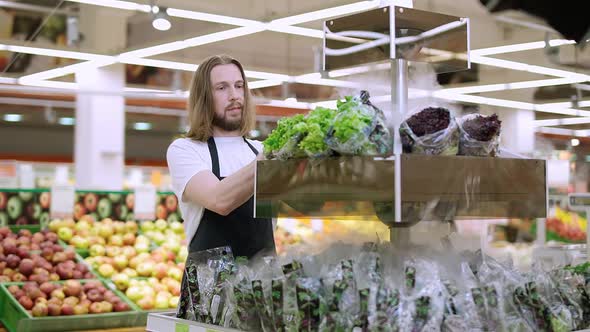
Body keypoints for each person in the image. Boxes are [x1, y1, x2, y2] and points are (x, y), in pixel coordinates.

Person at [166, 54, 275, 259]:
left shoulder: (259, 148)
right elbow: (219, 200)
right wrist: (271, 158)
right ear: (204, 97)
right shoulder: (185, 150)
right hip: (210, 286)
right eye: (222, 88)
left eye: (239, 85)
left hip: (262, 284)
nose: (234, 95)